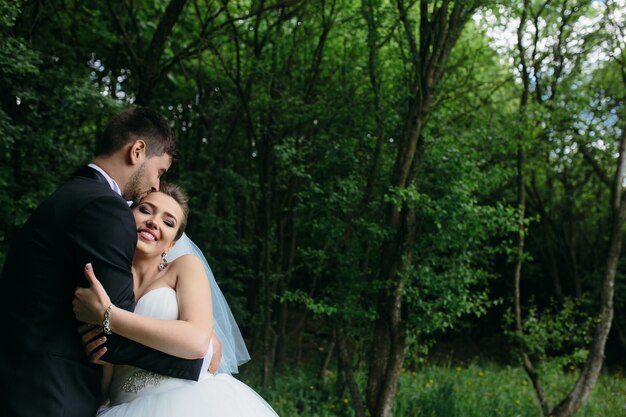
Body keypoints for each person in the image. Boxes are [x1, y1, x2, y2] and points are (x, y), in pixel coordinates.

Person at [0, 107, 210, 417]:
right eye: (159, 172)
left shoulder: (71, 193)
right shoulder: (104, 207)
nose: (155, 184)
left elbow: (108, 325)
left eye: (169, 221)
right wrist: (198, 360)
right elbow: (110, 338)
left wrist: (197, 343)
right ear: (137, 150)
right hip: (49, 395)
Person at [73, 184, 279, 416]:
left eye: (168, 222)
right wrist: (99, 359)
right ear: (127, 217)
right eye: (145, 210)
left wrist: (108, 315)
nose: (154, 222)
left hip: (189, 402)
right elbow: (107, 383)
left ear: (172, 244)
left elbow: (197, 342)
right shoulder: (105, 282)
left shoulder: (184, 267)